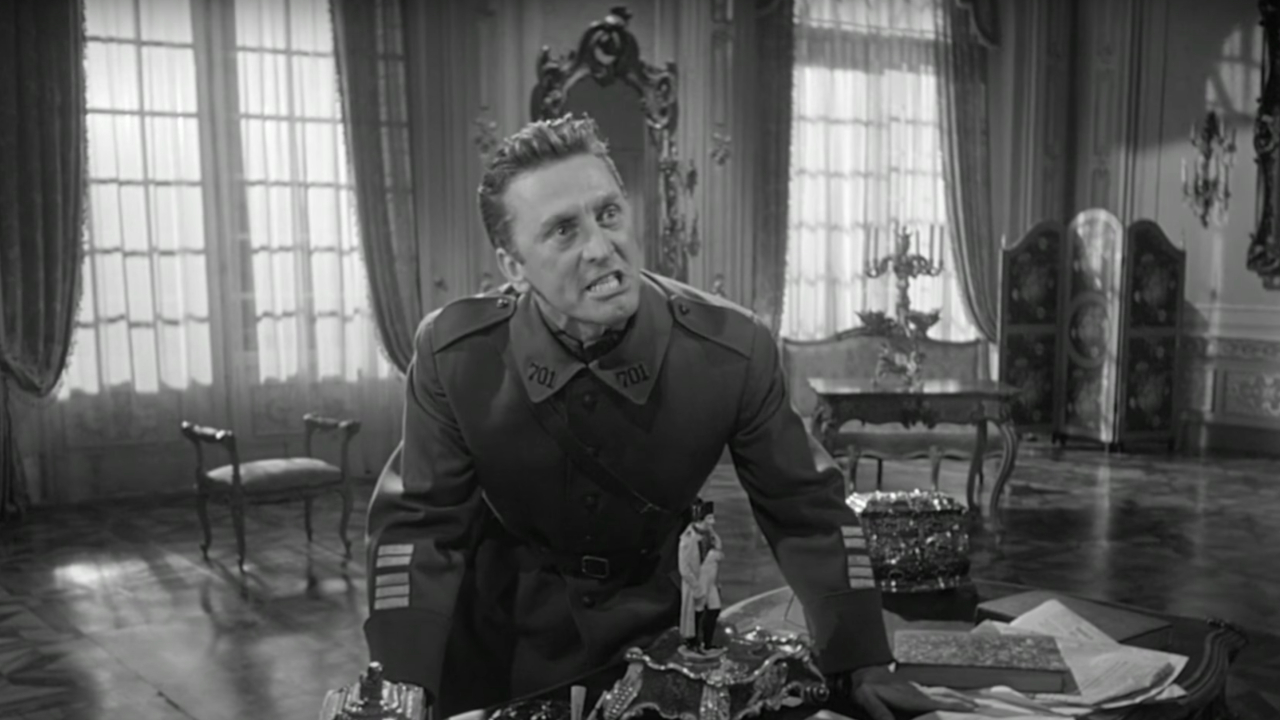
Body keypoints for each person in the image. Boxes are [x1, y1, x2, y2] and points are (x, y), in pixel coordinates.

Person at [362, 115, 974, 720]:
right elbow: (419, 526)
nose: (601, 247)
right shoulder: (456, 355)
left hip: (659, 655)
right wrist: (402, 688)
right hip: (496, 654)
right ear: (513, 265)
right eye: (563, 231)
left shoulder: (730, 350)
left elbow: (805, 509)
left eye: (608, 214)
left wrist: (862, 660)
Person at [677, 499, 723, 653]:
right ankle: (694, 643)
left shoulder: (711, 535)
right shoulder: (688, 539)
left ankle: (708, 643)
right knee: (698, 610)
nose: (712, 521)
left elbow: (716, 550)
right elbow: (684, 568)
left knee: (714, 608)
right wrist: (695, 587)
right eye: (709, 518)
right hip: (699, 579)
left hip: (711, 579)